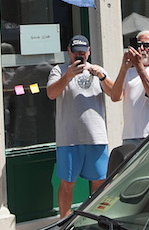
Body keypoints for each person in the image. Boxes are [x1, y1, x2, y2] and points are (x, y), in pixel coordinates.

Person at [45, 35, 117, 218]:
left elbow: (115, 94)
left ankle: (95, 220)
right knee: (68, 183)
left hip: (97, 136)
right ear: (69, 51)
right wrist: (68, 75)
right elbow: (51, 94)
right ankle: (65, 222)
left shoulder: (97, 70)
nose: (80, 55)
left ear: (89, 51)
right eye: (76, 51)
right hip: (69, 138)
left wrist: (103, 76)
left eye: (83, 52)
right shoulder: (59, 70)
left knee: (100, 182)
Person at [108, 30, 149, 177]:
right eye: (139, 45)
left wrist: (139, 67)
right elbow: (115, 96)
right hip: (131, 136)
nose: (142, 49)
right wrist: (124, 68)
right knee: (133, 180)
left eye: (147, 45)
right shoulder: (130, 73)